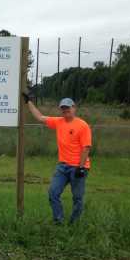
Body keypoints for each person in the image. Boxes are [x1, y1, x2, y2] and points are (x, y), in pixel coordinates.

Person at [23, 94, 92, 224]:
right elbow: (40, 117)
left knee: (77, 197)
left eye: (68, 108)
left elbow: (86, 147)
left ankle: (74, 224)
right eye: (63, 108)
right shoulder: (58, 122)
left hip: (78, 167)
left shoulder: (82, 125)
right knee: (53, 193)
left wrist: (81, 167)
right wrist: (29, 102)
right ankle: (58, 221)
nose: (65, 110)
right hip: (63, 166)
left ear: (74, 108)